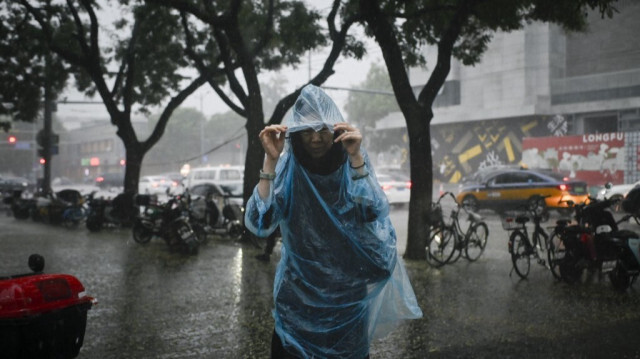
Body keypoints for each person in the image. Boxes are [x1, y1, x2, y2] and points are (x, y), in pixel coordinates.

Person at [244, 84, 422, 359]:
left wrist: (356, 156)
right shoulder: (289, 168)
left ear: (335, 129)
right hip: (298, 303)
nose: (316, 139)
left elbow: (372, 211)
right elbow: (260, 222)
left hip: (345, 302)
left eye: (323, 129)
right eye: (308, 131)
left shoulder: (351, 162)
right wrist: (270, 159)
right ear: (297, 133)